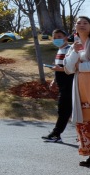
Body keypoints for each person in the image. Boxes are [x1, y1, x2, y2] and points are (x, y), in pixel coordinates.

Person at [64, 16, 90, 167]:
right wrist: (74, 52)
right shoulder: (74, 46)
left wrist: (81, 67)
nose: (82, 25)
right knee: (85, 124)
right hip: (81, 91)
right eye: (79, 23)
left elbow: (75, 68)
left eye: (85, 23)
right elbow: (67, 68)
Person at [42, 29, 74, 142]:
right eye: (54, 37)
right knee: (66, 110)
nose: (57, 39)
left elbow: (73, 68)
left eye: (59, 36)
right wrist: (54, 81)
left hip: (69, 84)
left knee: (64, 110)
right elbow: (58, 68)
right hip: (62, 85)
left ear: (66, 38)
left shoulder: (70, 49)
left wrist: (58, 69)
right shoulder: (60, 50)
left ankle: (56, 134)